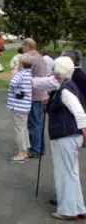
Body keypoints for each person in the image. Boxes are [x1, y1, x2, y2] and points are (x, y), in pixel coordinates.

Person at [46, 57, 86, 220]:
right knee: (72, 172)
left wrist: (84, 129)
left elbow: (79, 111)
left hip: (65, 136)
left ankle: (67, 210)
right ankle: (77, 207)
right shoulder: (68, 86)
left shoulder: (65, 90)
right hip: (70, 135)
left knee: (65, 173)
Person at [23, 38, 48, 158]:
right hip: (41, 93)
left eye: (24, 46)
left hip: (33, 95)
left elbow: (24, 75)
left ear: (28, 46)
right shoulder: (40, 57)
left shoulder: (29, 58)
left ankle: (35, 149)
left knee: (33, 124)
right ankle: (40, 147)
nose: (23, 48)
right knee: (39, 123)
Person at [6, 55, 33, 162]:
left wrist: (17, 91)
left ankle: (22, 153)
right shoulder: (29, 73)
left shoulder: (21, 74)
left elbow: (12, 83)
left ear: (21, 64)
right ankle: (26, 149)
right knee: (24, 128)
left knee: (19, 130)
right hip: (25, 105)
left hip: (18, 106)